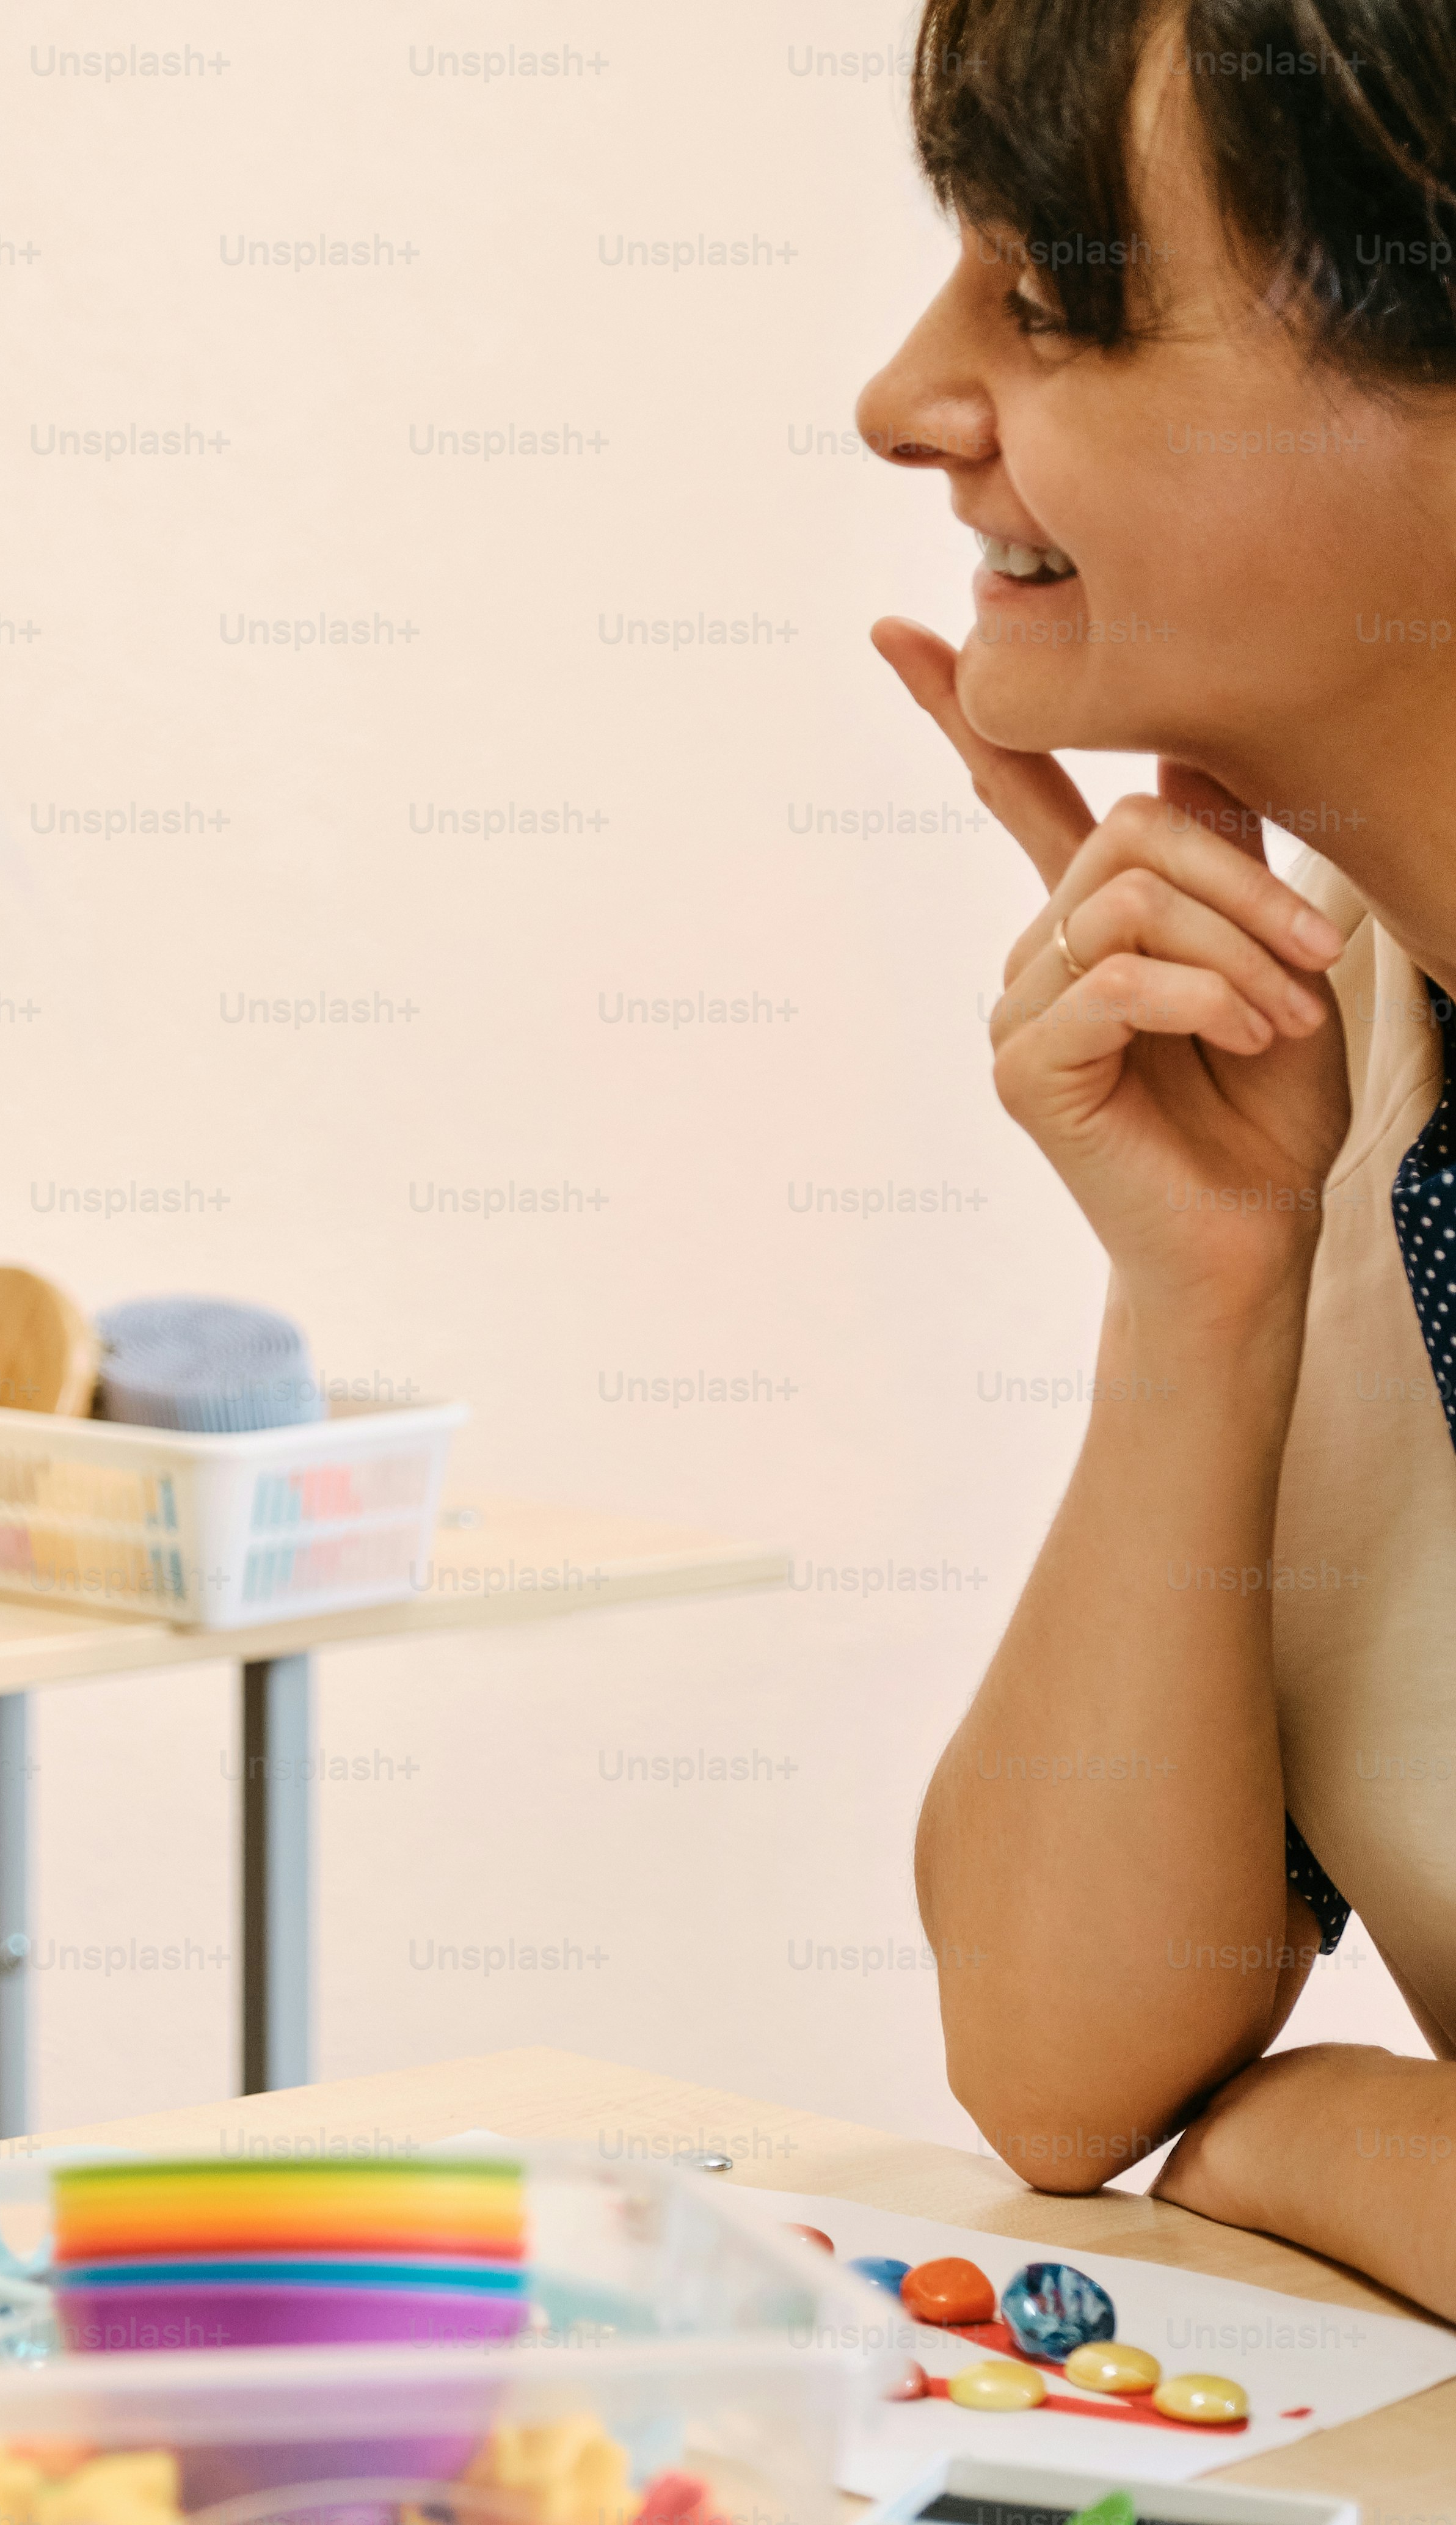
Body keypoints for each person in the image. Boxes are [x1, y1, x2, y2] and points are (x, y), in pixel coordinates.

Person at [862, 1, 1456, 2314]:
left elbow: (1193, 2126)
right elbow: (1059, 2055)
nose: (904, 398)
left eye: (1059, 291)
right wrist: (1201, 1295)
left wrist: (1324, 2126)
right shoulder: (1345, 1037)